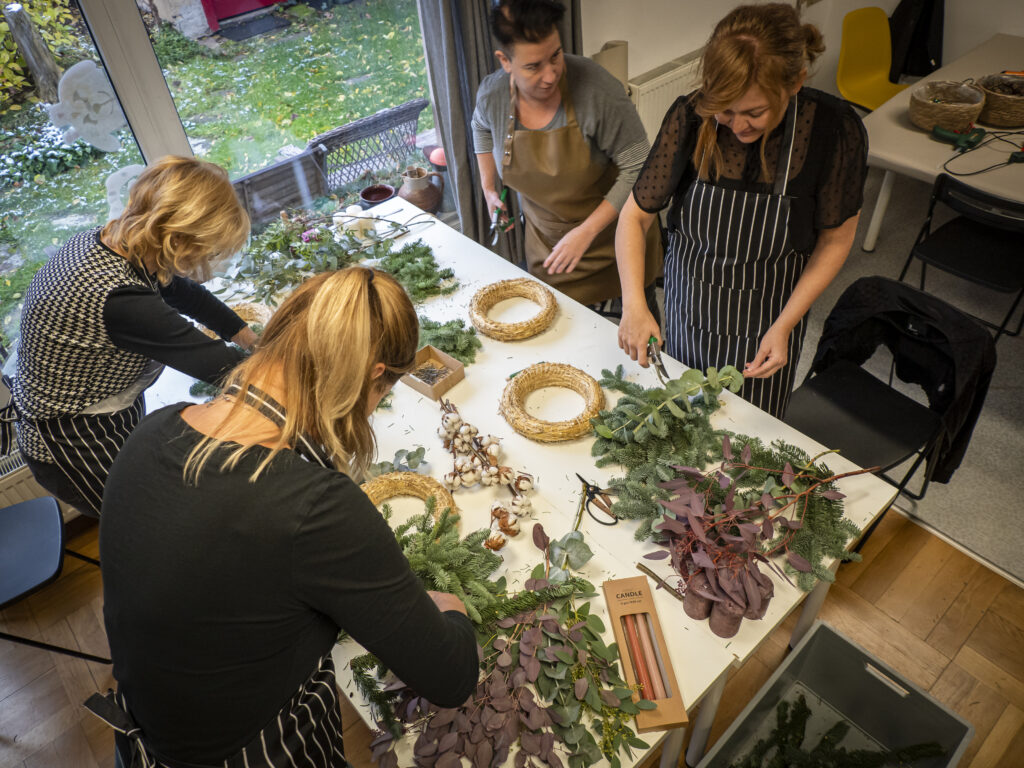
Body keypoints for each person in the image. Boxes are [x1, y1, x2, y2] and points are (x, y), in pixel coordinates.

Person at [91, 267, 480, 767]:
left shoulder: (153, 430)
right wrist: (450, 610)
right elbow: (450, 678)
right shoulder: (314, 506)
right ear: (374, 376)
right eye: (383, 394)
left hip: (146, 736)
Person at [615, 4, 867, 418]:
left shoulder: (833, 130)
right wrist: (634, 306)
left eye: (754, 112)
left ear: (795, 83)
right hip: (688, 308)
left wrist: (784, 326)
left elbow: (836, 240)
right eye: (726, 110)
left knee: (748, 437)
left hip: (768, 323)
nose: (738, 125)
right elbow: (634, 216)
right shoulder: (691, 116)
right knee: (681, 417)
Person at [11, 155, 257, 517]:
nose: (208, 257)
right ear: (177, 238)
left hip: (106, 406)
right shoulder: (118, 298)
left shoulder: (117, 242)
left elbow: (182, 292)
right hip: (73, 440)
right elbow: (215, 363)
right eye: (208, 248)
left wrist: (250, 339)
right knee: (148, 519)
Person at [472, 0, 662, 317]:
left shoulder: (597, 89)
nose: (550, 75)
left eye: (556, 55)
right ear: (505, 61)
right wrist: (489, 188)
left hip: (616, 245)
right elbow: (479, 126)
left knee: (634, 335)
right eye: (533, 66)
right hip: (548, 250)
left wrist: (586, 232)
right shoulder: (493, 96)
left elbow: (641, 166)